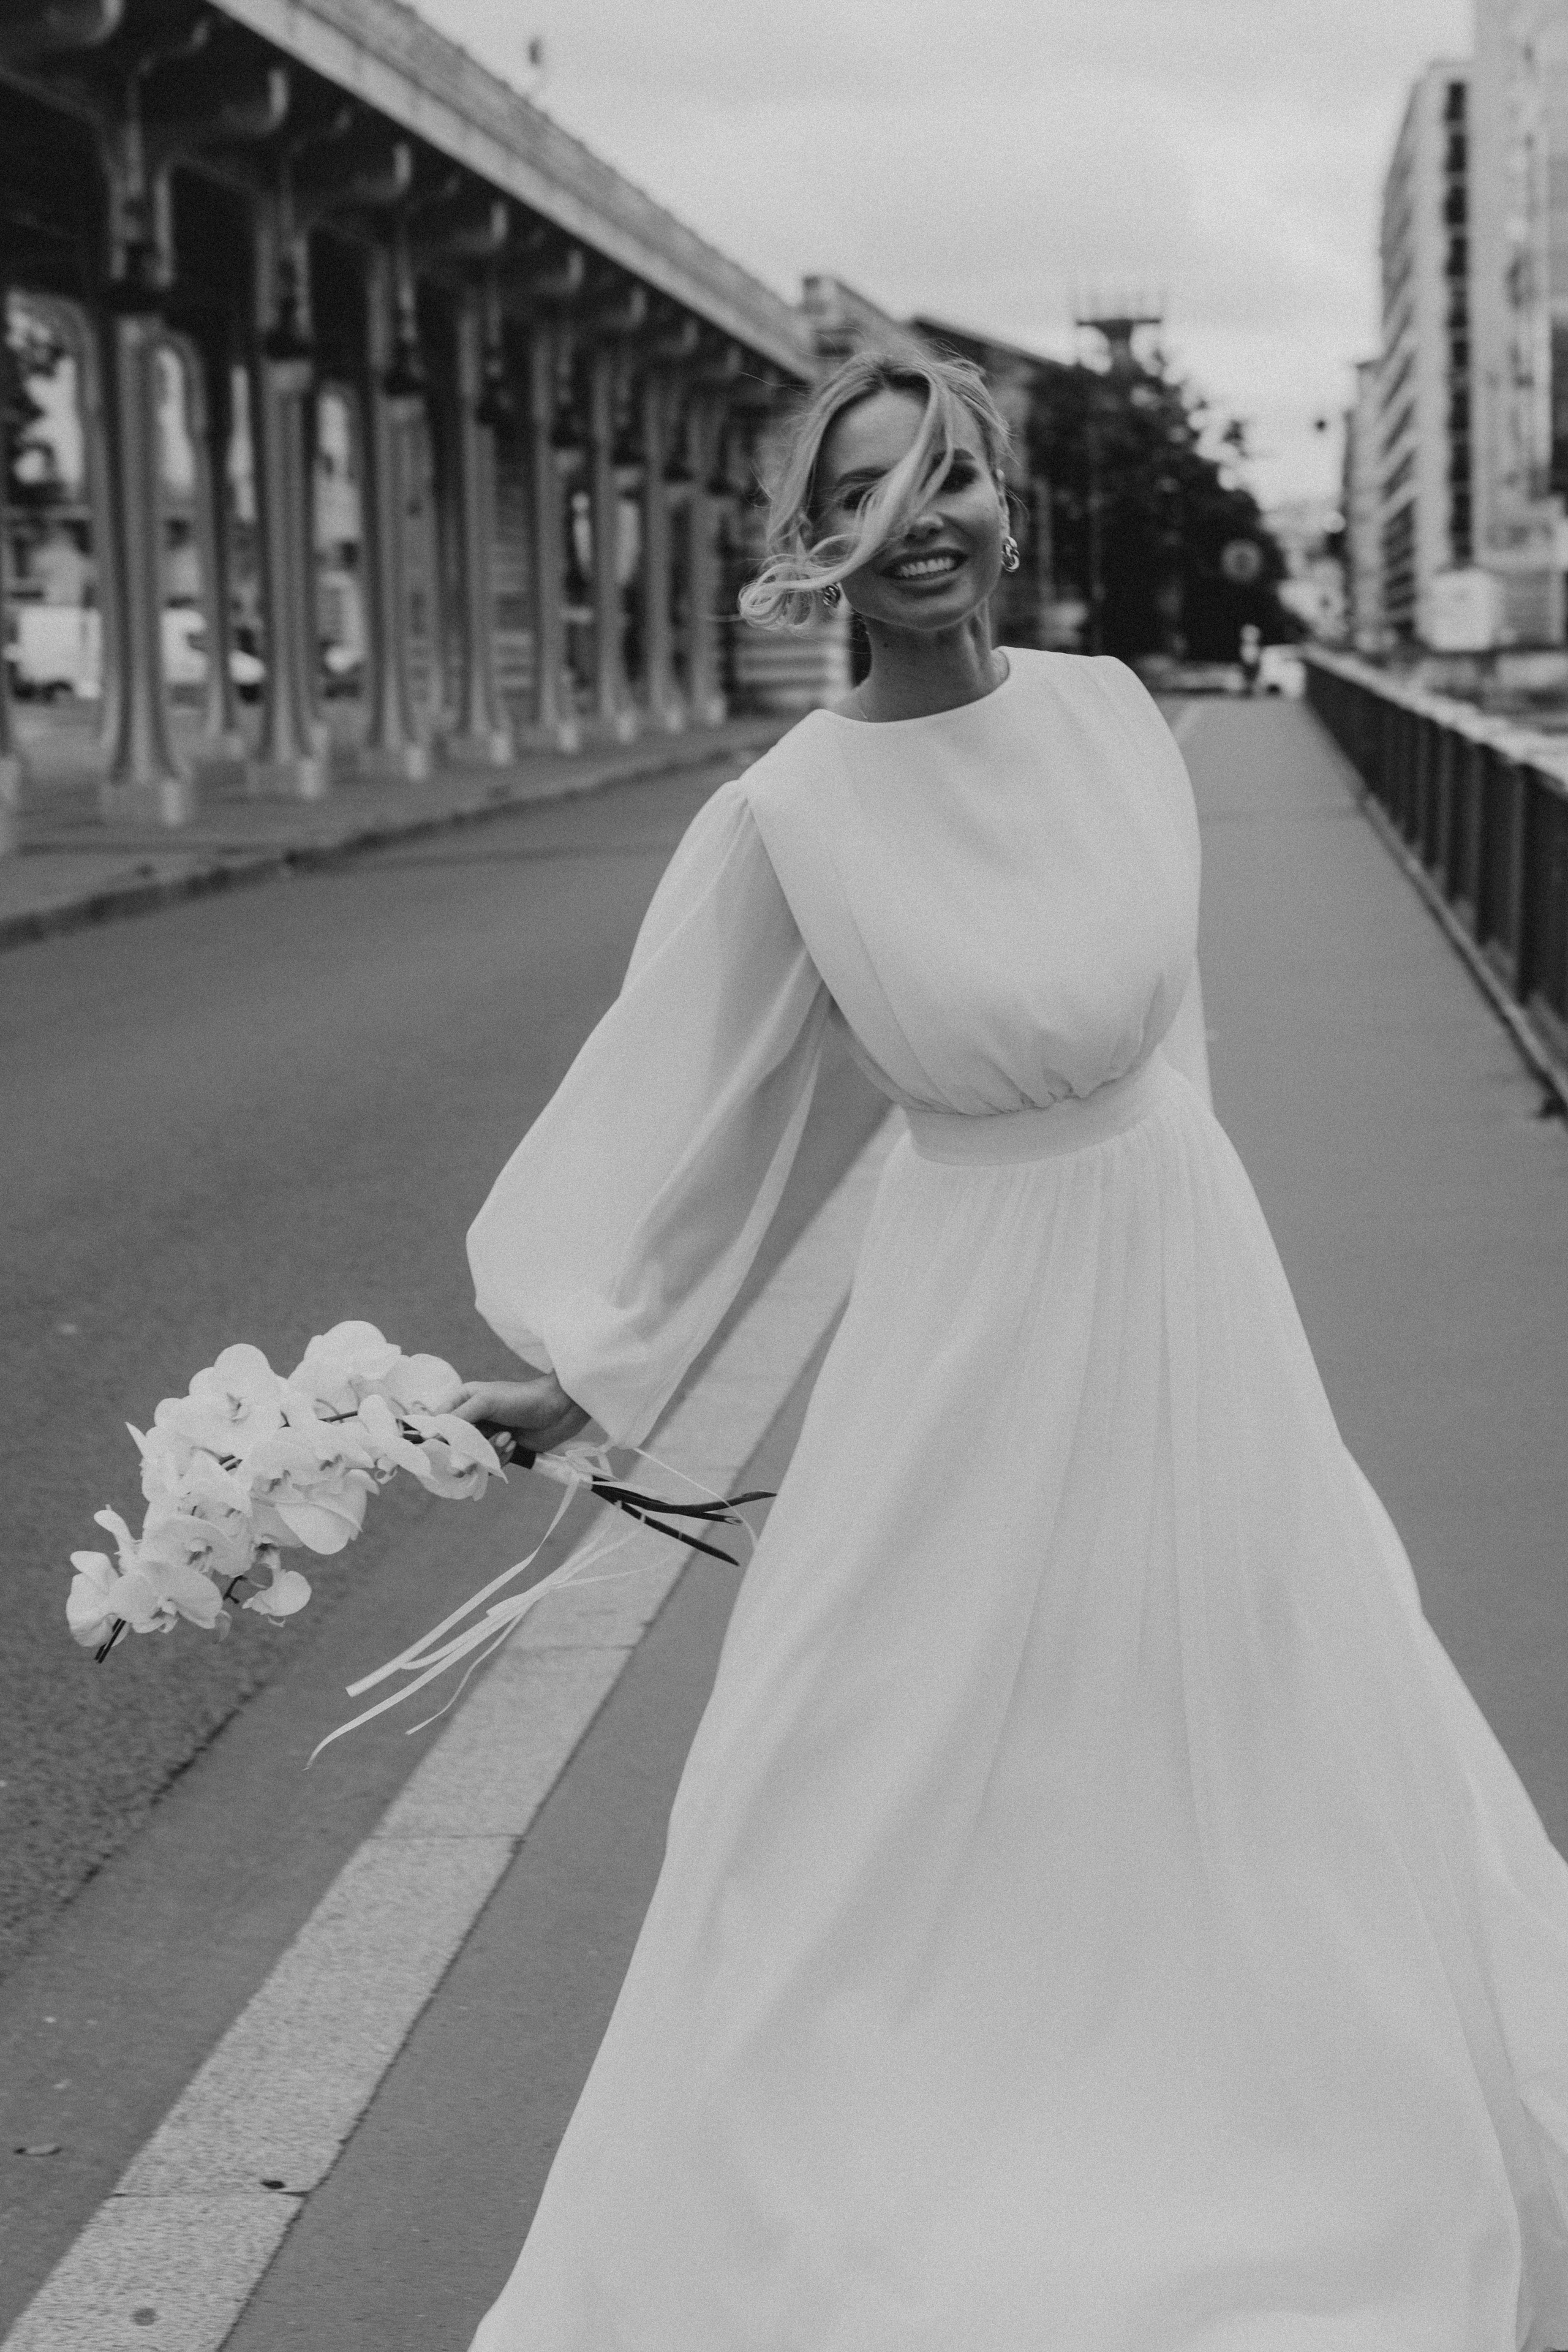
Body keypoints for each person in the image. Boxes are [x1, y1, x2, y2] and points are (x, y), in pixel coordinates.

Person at [454, 345, 1568, 2350]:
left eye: (953, 478)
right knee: (870, 1754)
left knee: (1253, 1703)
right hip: (966, 1329)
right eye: (876, 498)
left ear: (1000, 503)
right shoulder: (792, 812)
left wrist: (1239, 1334)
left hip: (1187, 1288)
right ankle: (842, 2176)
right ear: (824, 548)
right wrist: (585, 1364)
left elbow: (1181, 1052)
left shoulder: (1113, 712)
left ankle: (1262, 2114)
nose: (929, 524)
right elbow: (701, 1111)